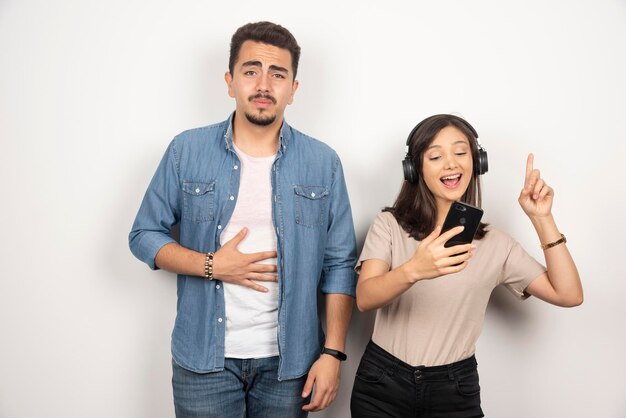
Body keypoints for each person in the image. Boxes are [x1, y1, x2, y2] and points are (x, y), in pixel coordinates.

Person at [129, 21, 357, 417]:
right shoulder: (187, 150)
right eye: (251, 71)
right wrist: (212, 265)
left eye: (278, 74)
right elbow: (144, 234)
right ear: (230, 81)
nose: (264, 85)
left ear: (294, 89)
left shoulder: (323, 163)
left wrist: (333, 353)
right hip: (203, 360)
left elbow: (338, 264)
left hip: (291, 365)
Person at [350, 114, 583, 417]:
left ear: (477, 162)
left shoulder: (497, 244)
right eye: (436, 156)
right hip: (382, 383)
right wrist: (415, 269)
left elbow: (569, 294)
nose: (451, 163)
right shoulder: (389, 225)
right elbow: (365, 298)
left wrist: (542, 219)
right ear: (415, 168)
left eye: (461, 153)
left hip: (453, 389)